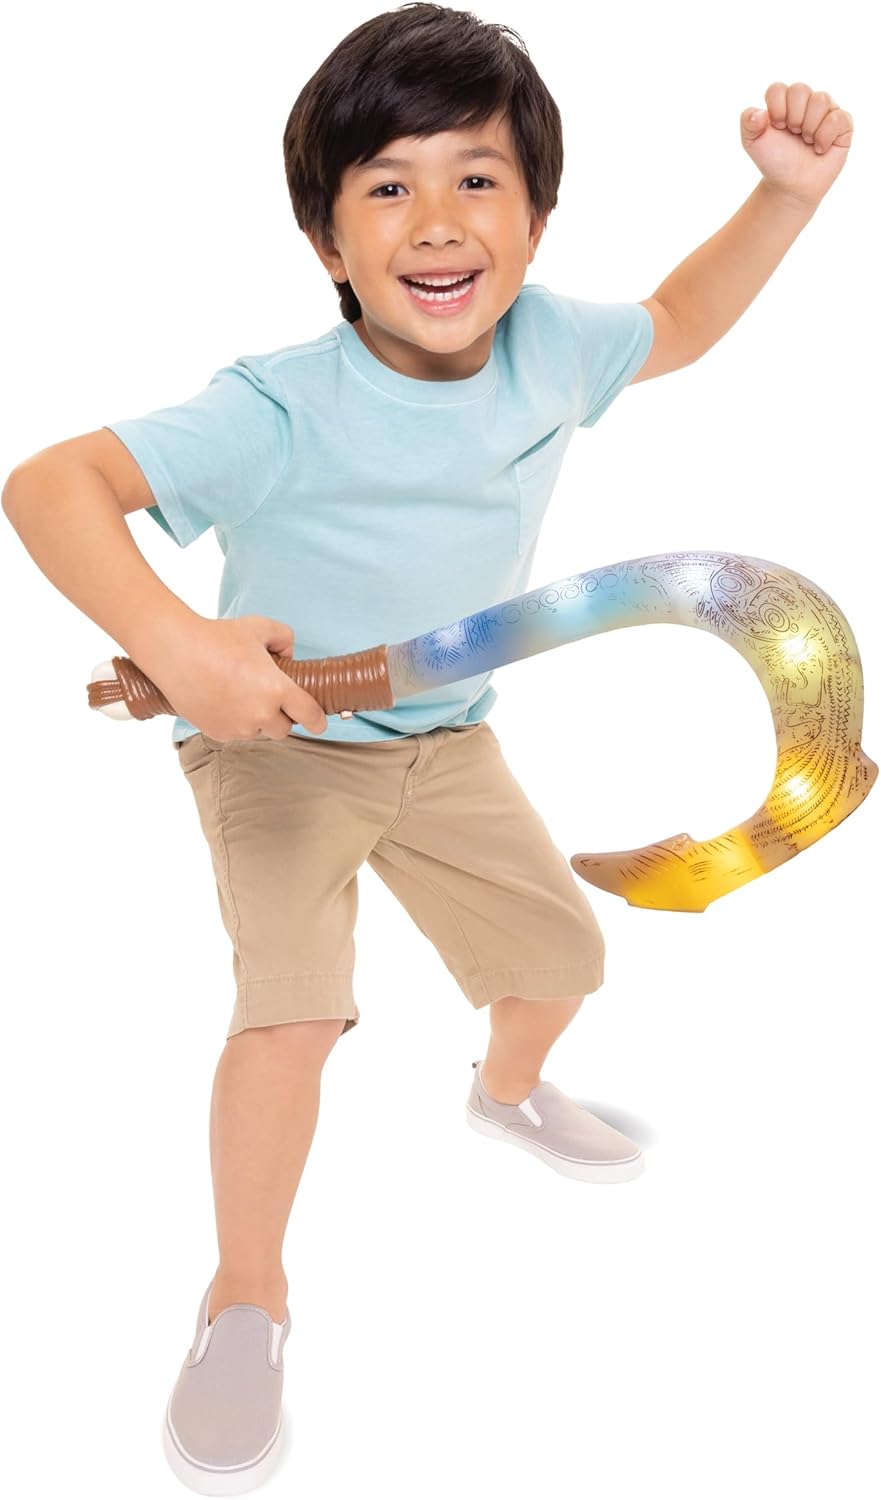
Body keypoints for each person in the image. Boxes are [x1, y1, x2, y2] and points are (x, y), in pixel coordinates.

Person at [1, 4, 851, 1492]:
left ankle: (503, 1092)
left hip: (446, 735)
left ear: (535, 221)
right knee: (295, 1015)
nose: (439, 221)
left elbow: (681, 322)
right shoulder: (274, 407)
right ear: (326, 242)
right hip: (277, 747)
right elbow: (50, 483)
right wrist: (183, 647)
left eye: (477, 179)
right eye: (388, 186)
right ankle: (245, 1298)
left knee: (565, 962)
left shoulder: (553, 348)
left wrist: (781, 197)